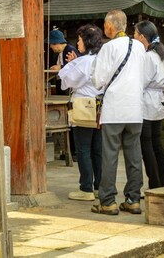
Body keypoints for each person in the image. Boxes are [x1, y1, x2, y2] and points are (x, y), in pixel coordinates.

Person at [91, 9, 146, 216]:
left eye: (105, 25)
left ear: (110, 26)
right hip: (135, 108)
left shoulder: (108, 48)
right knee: (134, 155)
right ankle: (133, 199)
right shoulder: (140, 47)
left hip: (114, 108)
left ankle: (108, 201)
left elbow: (98, 81)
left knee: (110, 155)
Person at [58, 24, 105, 201]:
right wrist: (74, 62)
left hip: (83, 104)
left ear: (86, 41)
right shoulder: (100, 59)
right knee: (97, 148)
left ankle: (85, 188)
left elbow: (67, 79)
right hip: (99, 105)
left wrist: (71, 64)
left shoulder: (84, 61)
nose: (77, 43)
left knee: (83, 148)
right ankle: (99, 186)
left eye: (79, 40)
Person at [135, 21, 164, 190]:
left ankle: (155, 183)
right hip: (158, 100)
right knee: (157, 144)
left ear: (142, 37)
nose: (134, 37)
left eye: (135, 34)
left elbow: (142, 81)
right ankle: (163, 181)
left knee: (147, 145)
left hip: (147, 100)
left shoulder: (148, 57)